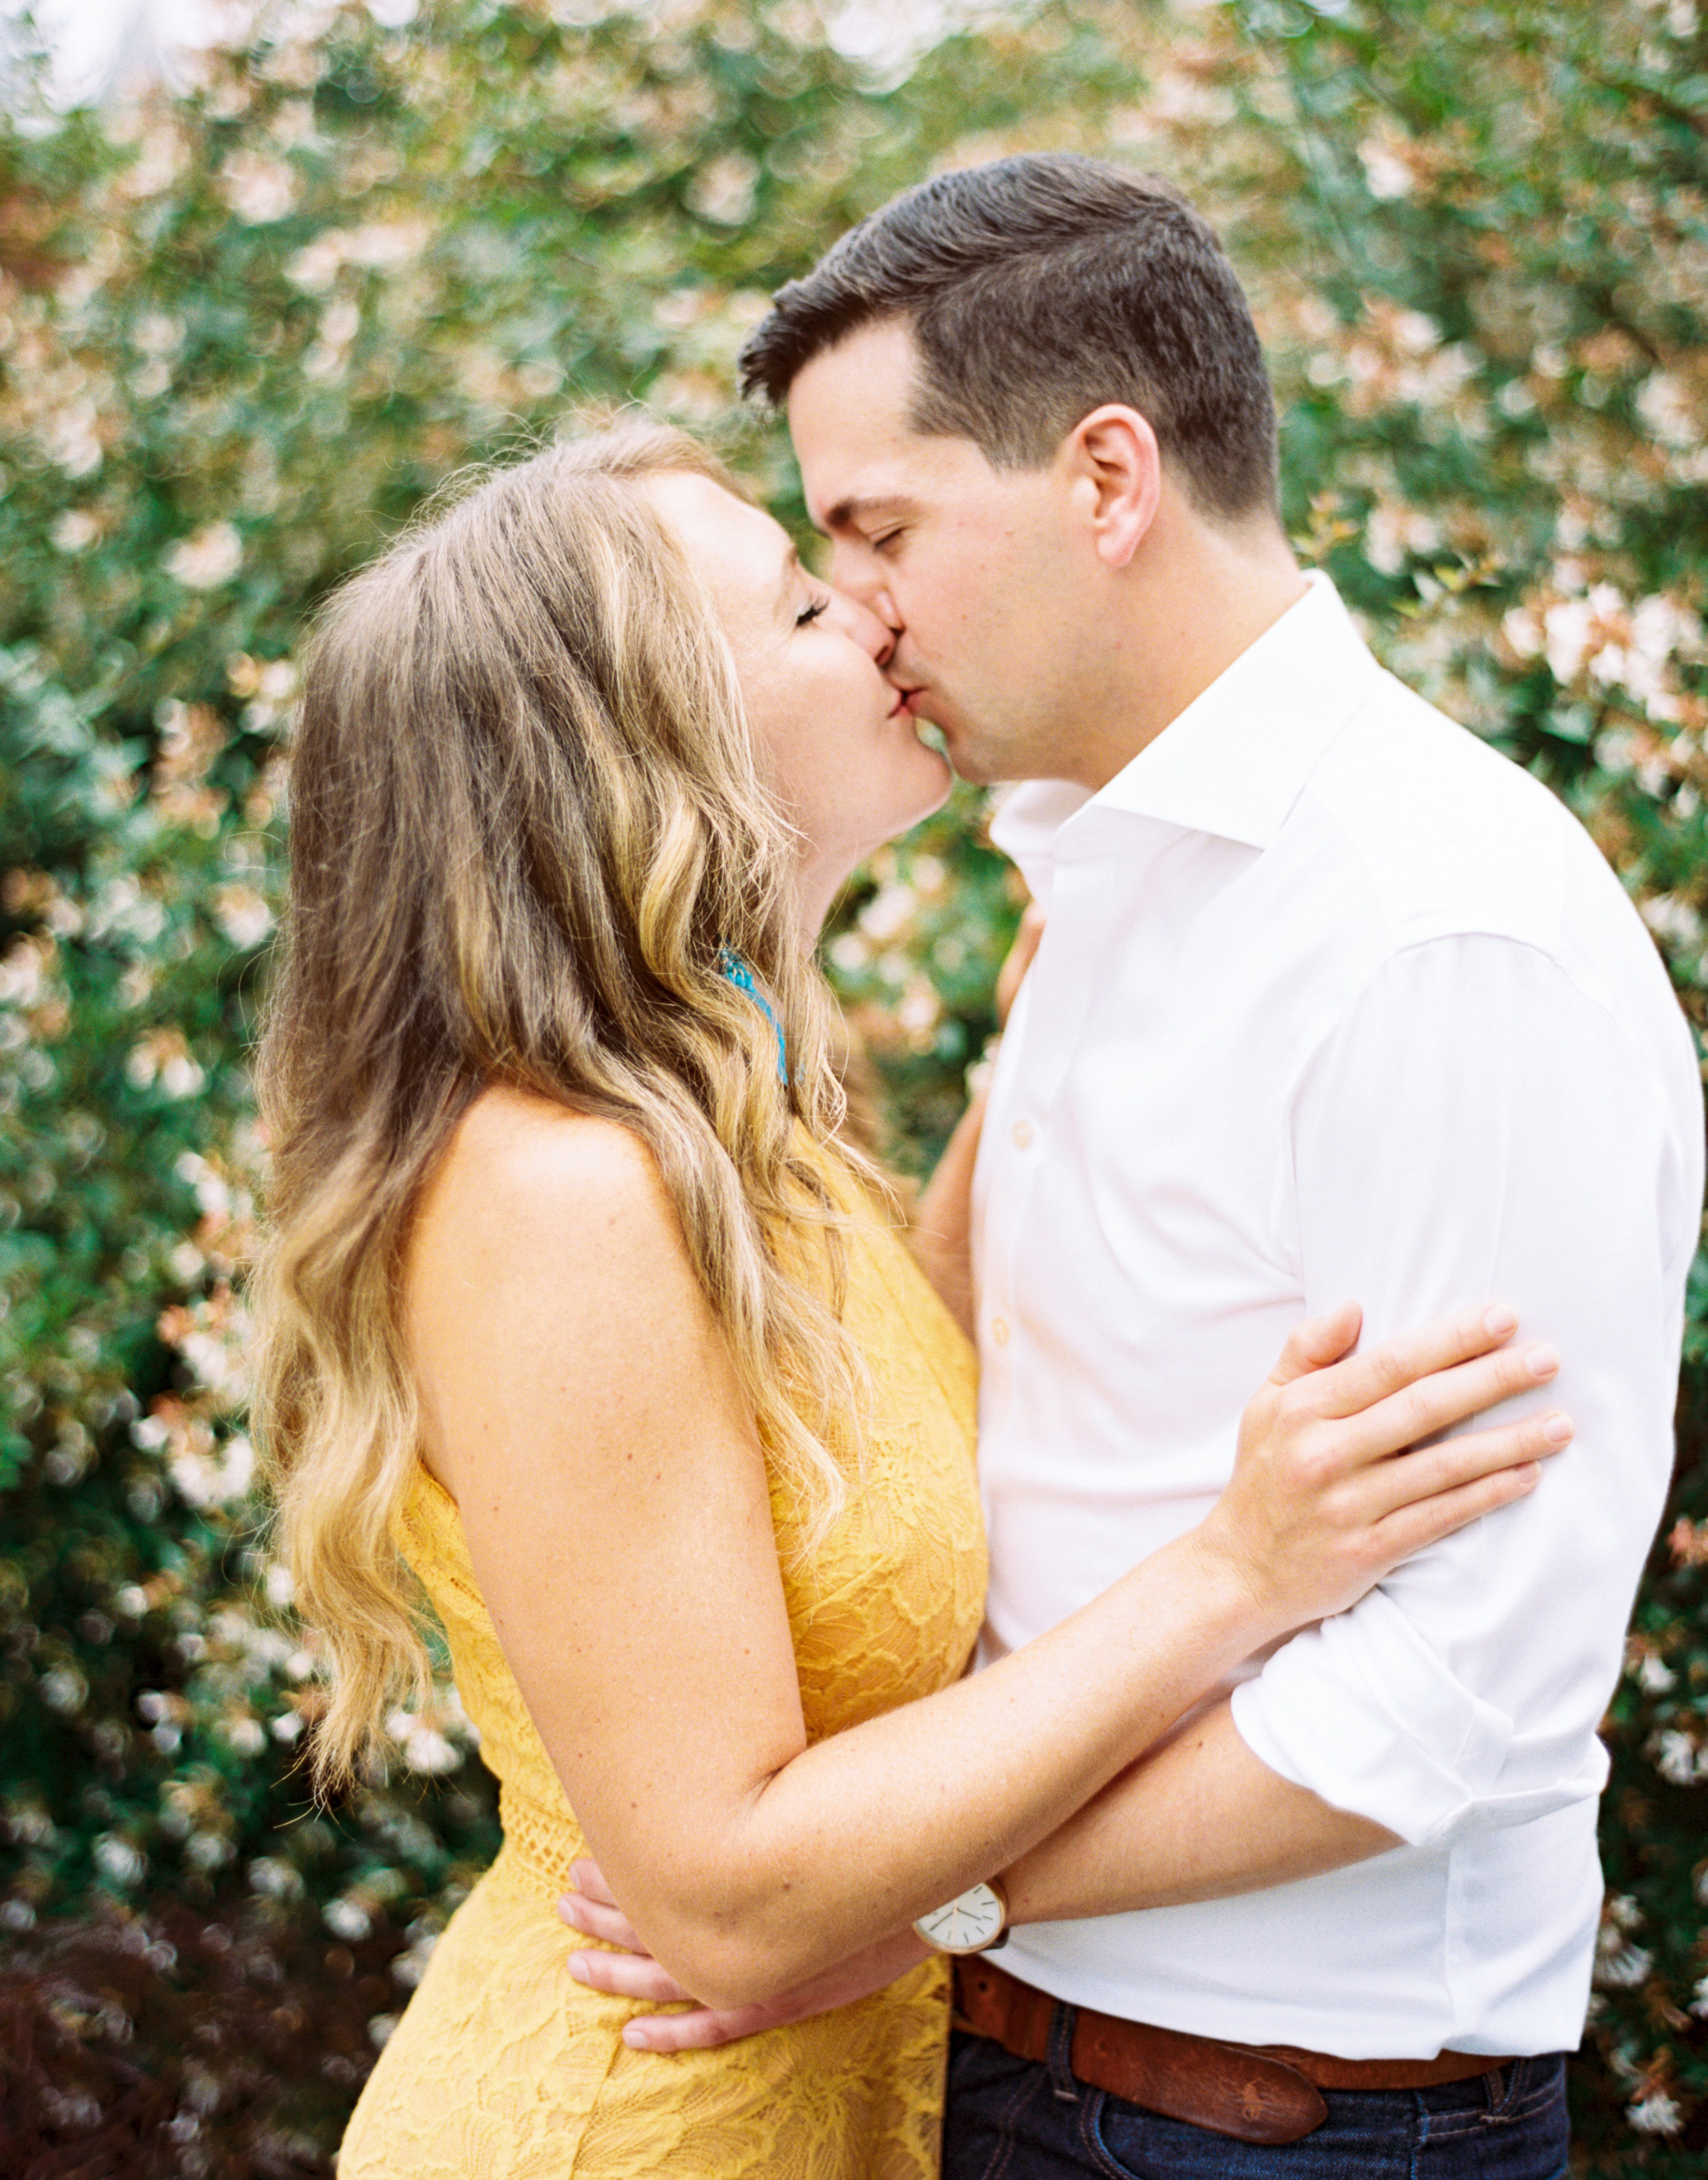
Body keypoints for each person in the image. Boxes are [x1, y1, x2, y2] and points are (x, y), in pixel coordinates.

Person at [249, 420, 1568, 2179]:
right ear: (644, 750)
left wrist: (1073, 1019)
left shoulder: (737, 1116)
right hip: (628, 2122)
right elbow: (718, 1896)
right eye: (801, 607)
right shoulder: (560, 1187)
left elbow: (872, 1427)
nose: (873, 619)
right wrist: (1234, 1571)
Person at [564, 157, 1704, 2177]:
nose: (864, 614)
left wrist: (907, 1899)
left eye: (881, 530)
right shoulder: (1096, 869)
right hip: (1020, 2064)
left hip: (1285, 2129)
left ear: (1106, 479)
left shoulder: (1430, 928)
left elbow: (1438, 1700)